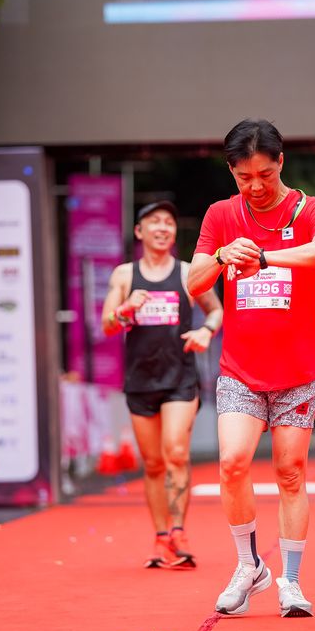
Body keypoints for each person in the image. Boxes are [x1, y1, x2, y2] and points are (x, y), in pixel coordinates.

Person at [188, 119, 315, 617]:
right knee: (232, 462)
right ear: (231, 172)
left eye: (264, 175)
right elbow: (194, 282)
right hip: (241, 371)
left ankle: (290, 582)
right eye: (243, 177)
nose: (255, 186)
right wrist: (221, 255)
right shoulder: (220, 215)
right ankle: (248, 565)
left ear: (281, 163)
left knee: (289, 473)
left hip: (298, 371)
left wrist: (267, 260)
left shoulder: (309, 209)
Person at [102, 201, 223, 569]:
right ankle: (160, 536)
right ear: (139, 231)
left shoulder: (188, 273)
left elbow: (216, 310)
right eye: (154, 222)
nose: (162, 228)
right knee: (154, 464)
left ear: (174, 232)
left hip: (180, 378)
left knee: (176, 453)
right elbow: (107, 324)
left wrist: (205, 331)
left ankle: (179, 531)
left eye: (169, 222)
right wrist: (125, 310)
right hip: (140, 380)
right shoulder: (125, 275)